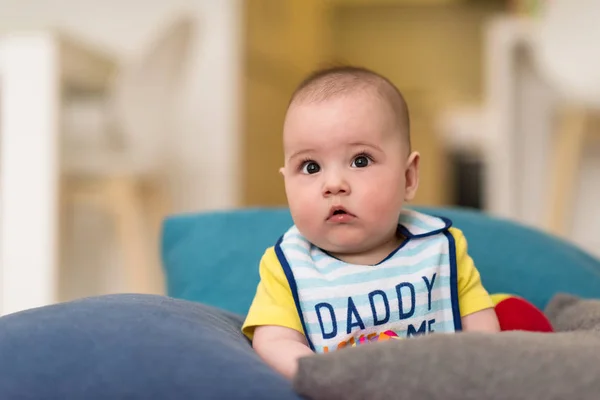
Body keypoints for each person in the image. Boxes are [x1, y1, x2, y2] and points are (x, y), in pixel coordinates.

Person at [241, 65, 500, 379]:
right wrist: (321, 375)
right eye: (310, 167)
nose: (333, 183)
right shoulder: (289, 265)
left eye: (360, 160)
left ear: (408, 177)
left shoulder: (440, 248)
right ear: (286, 183)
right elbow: (275, 340)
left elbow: (481, 328)